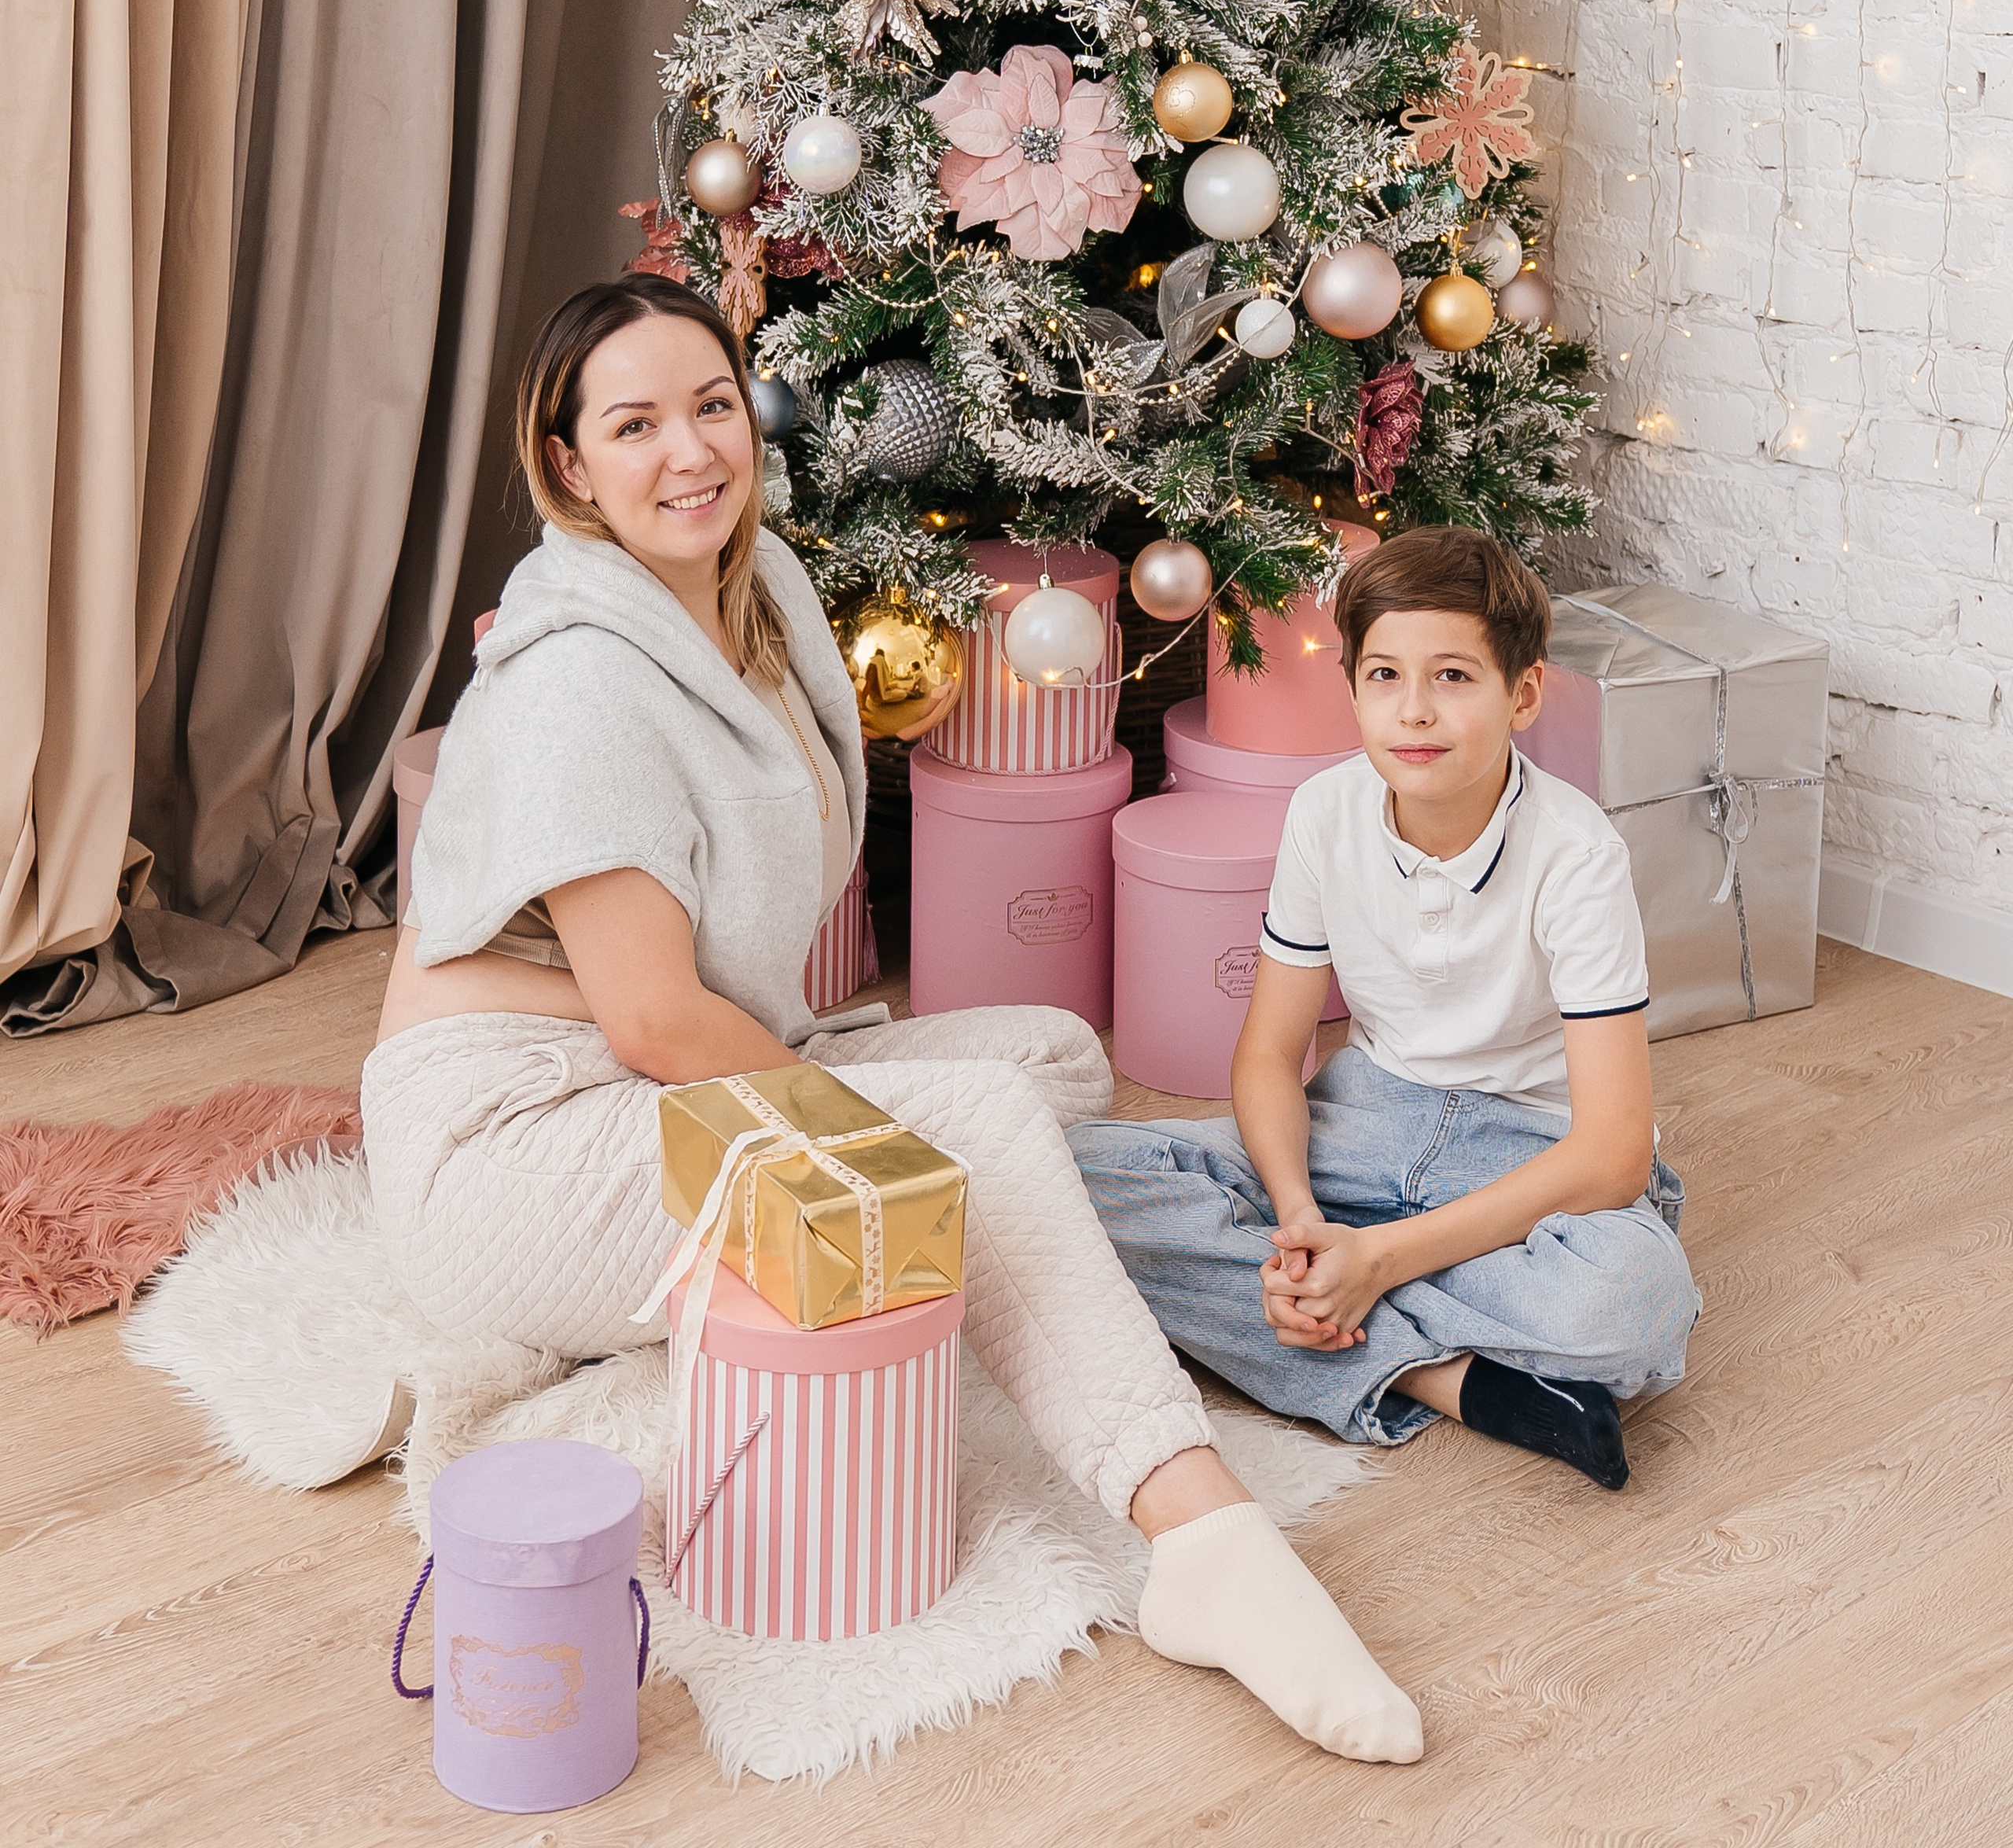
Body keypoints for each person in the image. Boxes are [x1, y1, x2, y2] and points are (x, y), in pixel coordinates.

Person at [361, 275, 1421, 1765]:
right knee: (980, 1133)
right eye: (635, 424)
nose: (690, 454)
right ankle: (1208, 1541)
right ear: (567, 465)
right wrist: (906, 1152)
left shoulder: (754, 601)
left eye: (713, 406)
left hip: (646, 1081)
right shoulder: (575, 682)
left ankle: (1231, 1248)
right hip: (514, 1147)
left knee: (1044, 1058)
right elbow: (664, 1021)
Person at [1069, 525, 1700, 1490]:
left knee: (1630, 1305)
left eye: (1453, 677)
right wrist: (1298, 1222)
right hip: (1365, 1123)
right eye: (1383, 677)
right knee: (1067, 1179)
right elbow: (1270, 1058)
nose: (1414, 712)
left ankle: (1345, 1306)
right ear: (1353, 686)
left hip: (1533, 1152)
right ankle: (1454, 1379)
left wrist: (1376, 1260)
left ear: (1520, 694)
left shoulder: (1577, 854)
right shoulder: (1324, 811)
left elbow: (1612, 1153)